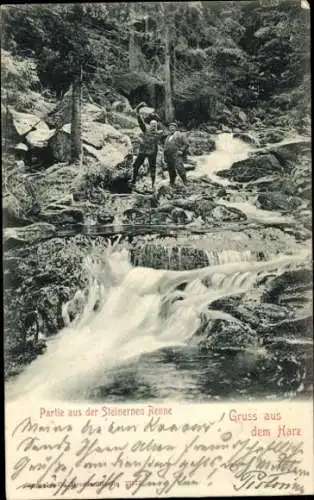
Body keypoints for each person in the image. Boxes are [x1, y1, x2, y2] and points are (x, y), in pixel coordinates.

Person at [131, 102, 165, 190]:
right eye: (152, 125)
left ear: (156, 126)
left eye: (155, 125)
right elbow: (140, 120)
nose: (153, 126)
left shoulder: (159, 134)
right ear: (150, 125)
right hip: (143, 151)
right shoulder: (145, 129)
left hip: (152, 152)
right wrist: (138, 109)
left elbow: (162, 138)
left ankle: (153, 185)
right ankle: (133, 181)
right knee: (136, 165)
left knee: (153, 168)